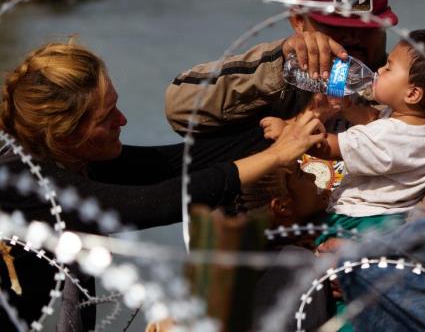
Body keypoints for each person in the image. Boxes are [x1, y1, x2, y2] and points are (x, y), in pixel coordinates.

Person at [0, 41, 325, 330]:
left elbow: (178, 163)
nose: (123, 120)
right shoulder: (22, 181)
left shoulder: (65, 155)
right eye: (106, 118)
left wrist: (286, 126)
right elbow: (155, 203)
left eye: (116, 104)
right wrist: (276, 156)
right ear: (65, 134)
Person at [164, 0, 425, 221]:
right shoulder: (274, 70)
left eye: (366, 28)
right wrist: (279, 62)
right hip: (259, 249)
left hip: (365, 247)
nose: (352, 40)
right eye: (336, 28)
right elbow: (179, 109)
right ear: (299, 21)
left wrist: (384, 252)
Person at [263, 29, 425, 242]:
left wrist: (288, 133)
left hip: (360, 219)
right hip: (389, 217)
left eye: (388, 68)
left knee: (311, 245)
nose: (379, 70)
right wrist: (346, 107)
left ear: (412, 94)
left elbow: (328, 148)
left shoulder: (389, 137)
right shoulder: (422, 123)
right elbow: (373, 118)